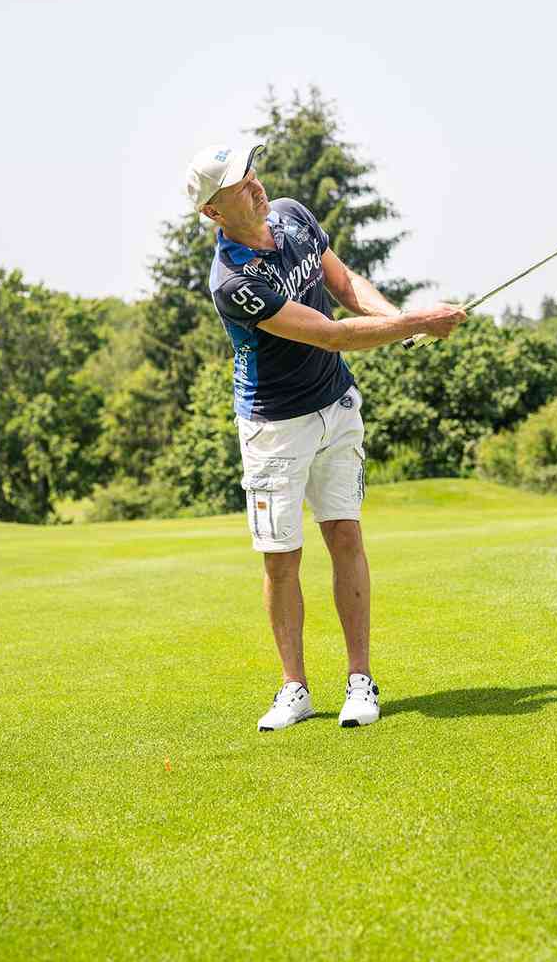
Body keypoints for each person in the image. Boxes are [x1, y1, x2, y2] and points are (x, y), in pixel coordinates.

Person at [186, 143, 466, 732]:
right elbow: (330, 334)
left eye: (253, 174)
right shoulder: (232, 281)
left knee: (345, 534)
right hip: (274, 426)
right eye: (240, 186)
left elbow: (345, 283)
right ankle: (295, 688)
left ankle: (360, 680)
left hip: (335, 406)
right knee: (281, 559)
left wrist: (397, 321)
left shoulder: (292, 214)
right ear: (214, 211)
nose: (256, 186)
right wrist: (416, 323)